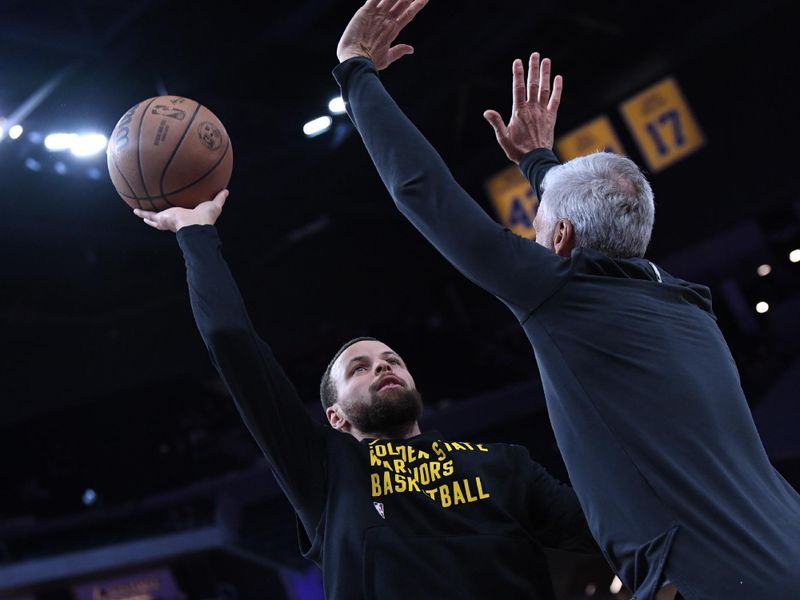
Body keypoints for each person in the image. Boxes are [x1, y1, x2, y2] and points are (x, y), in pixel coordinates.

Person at [332, 1, 800, 599]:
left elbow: (422, 190)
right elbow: (589, 234)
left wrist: (355, 73)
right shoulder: (684, 300)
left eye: (536, 221)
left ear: (559, 240)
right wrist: (538, 163)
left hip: (716, 583)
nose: (530, 234)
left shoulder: (560, 295)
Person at [132, 194, 598, 600]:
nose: (383, 365)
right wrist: (195, 232)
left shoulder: (504, 465)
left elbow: (611, 529)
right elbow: (231, 342)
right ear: (335, 417)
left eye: (392, 359)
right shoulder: (326, 472)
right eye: (360, 368)